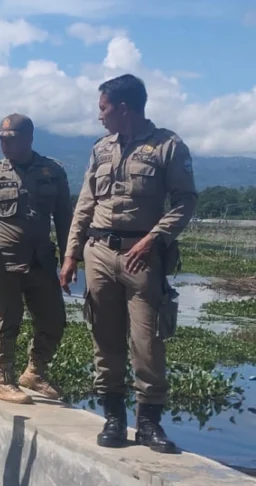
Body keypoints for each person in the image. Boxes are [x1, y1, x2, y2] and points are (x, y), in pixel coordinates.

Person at [59, 74, 198, 453]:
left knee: (147, 341)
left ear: (123, 108)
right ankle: (114, 418)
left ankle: (149, 423)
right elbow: (85, 205)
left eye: (103, 107)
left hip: (143, 255)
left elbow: (186, 200)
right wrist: (71, 254)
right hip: (99, 252)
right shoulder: (101, 149)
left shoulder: (167, 146)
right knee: (105, 338)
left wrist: (155, 237)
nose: (99, 115)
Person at [0, 114, 71, 404]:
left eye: (10, 139)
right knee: (4, 323)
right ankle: (6, 381)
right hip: (5, 264)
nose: (4, 145)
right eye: (1, 139)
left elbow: (65, 219)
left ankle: (35, 372)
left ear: (29, 139)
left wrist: (70, 258)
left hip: (42, 263)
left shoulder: (52, 172)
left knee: (53, 321)